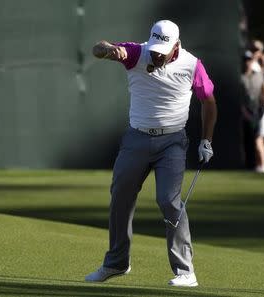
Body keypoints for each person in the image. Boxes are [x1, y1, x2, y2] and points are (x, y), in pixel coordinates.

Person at [85, 20, 217, 287]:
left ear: (176, 46)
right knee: (120, 195)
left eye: (163, 51)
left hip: (172, 143)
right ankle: (116, 263)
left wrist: (206, 140)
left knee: (169, 201)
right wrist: (110, 49)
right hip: (136, 139)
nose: (157, 55)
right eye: (155, 49)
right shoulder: (137, 52)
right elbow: (97, 49)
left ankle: (185, 271)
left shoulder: (192, 65)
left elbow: (209, 101)